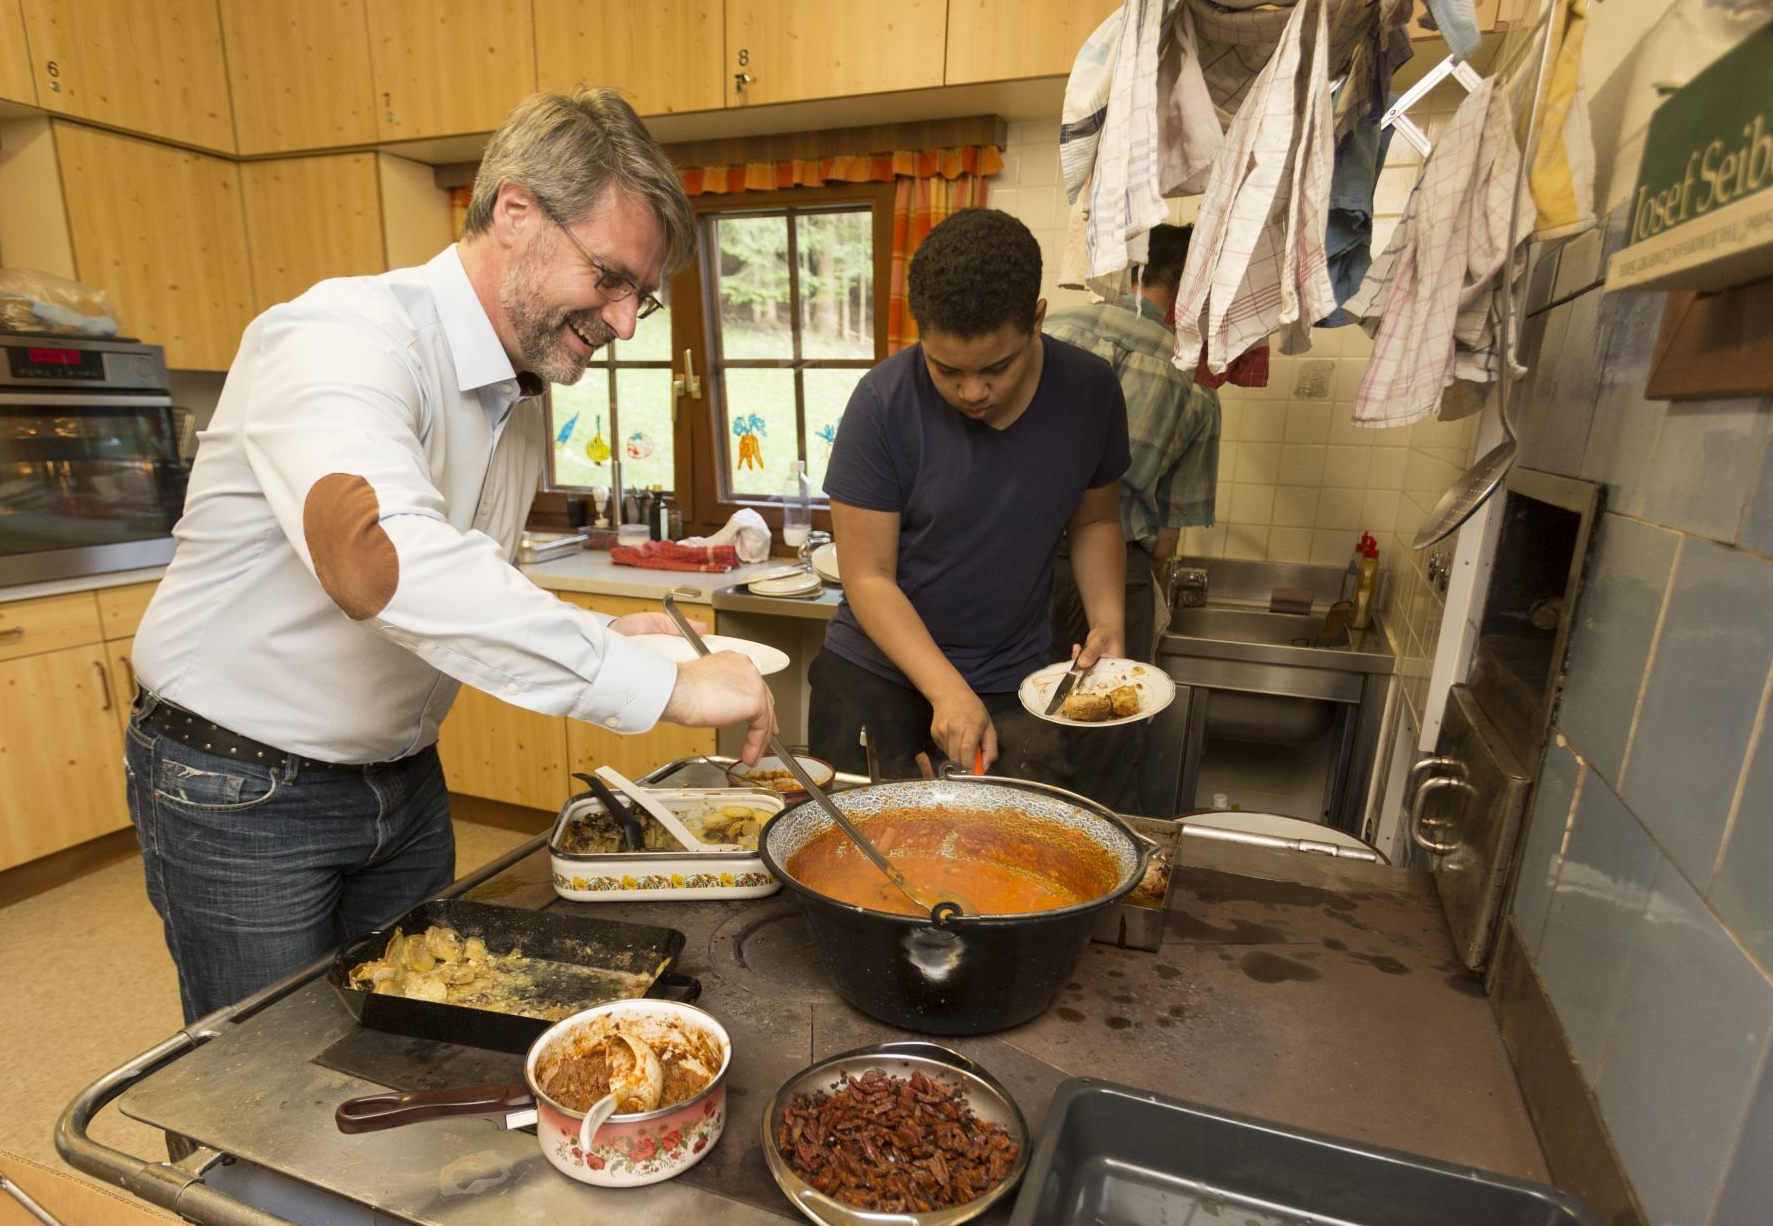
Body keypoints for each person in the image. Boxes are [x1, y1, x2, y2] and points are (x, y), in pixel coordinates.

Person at [127, 88, 777, 1022]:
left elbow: (468, 571)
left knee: (409, 1045)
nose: (627, 322)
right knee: (262, 1083)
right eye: (610, 277)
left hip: (402, 780)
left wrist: (601, 628)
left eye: (643, 293)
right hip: (240, 785)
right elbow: (384, 566)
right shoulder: (339, 338)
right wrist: (661, 685)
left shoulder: (516, 383)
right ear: (515, 212)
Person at [806, 208, 1131, 784]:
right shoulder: (882, 403)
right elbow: (868, 577)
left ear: (1036, 320)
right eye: (945, 369)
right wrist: (946, 689)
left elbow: (1095, 521)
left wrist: (1108, 617)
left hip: (1014, 678)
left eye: (996, 368)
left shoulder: (1090, 392)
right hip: (874, 675)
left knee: (1011, 856)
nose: (972, 392)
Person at [1044, 224, 1221, 814]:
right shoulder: (1195, 383)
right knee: (1106, 745)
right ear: (1195, 286)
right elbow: (1167, 540)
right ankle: (1097, 885)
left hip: (1024, 570)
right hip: (1120, 578)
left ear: (1133, 274)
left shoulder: (1053, 331)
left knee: (1020, 732)